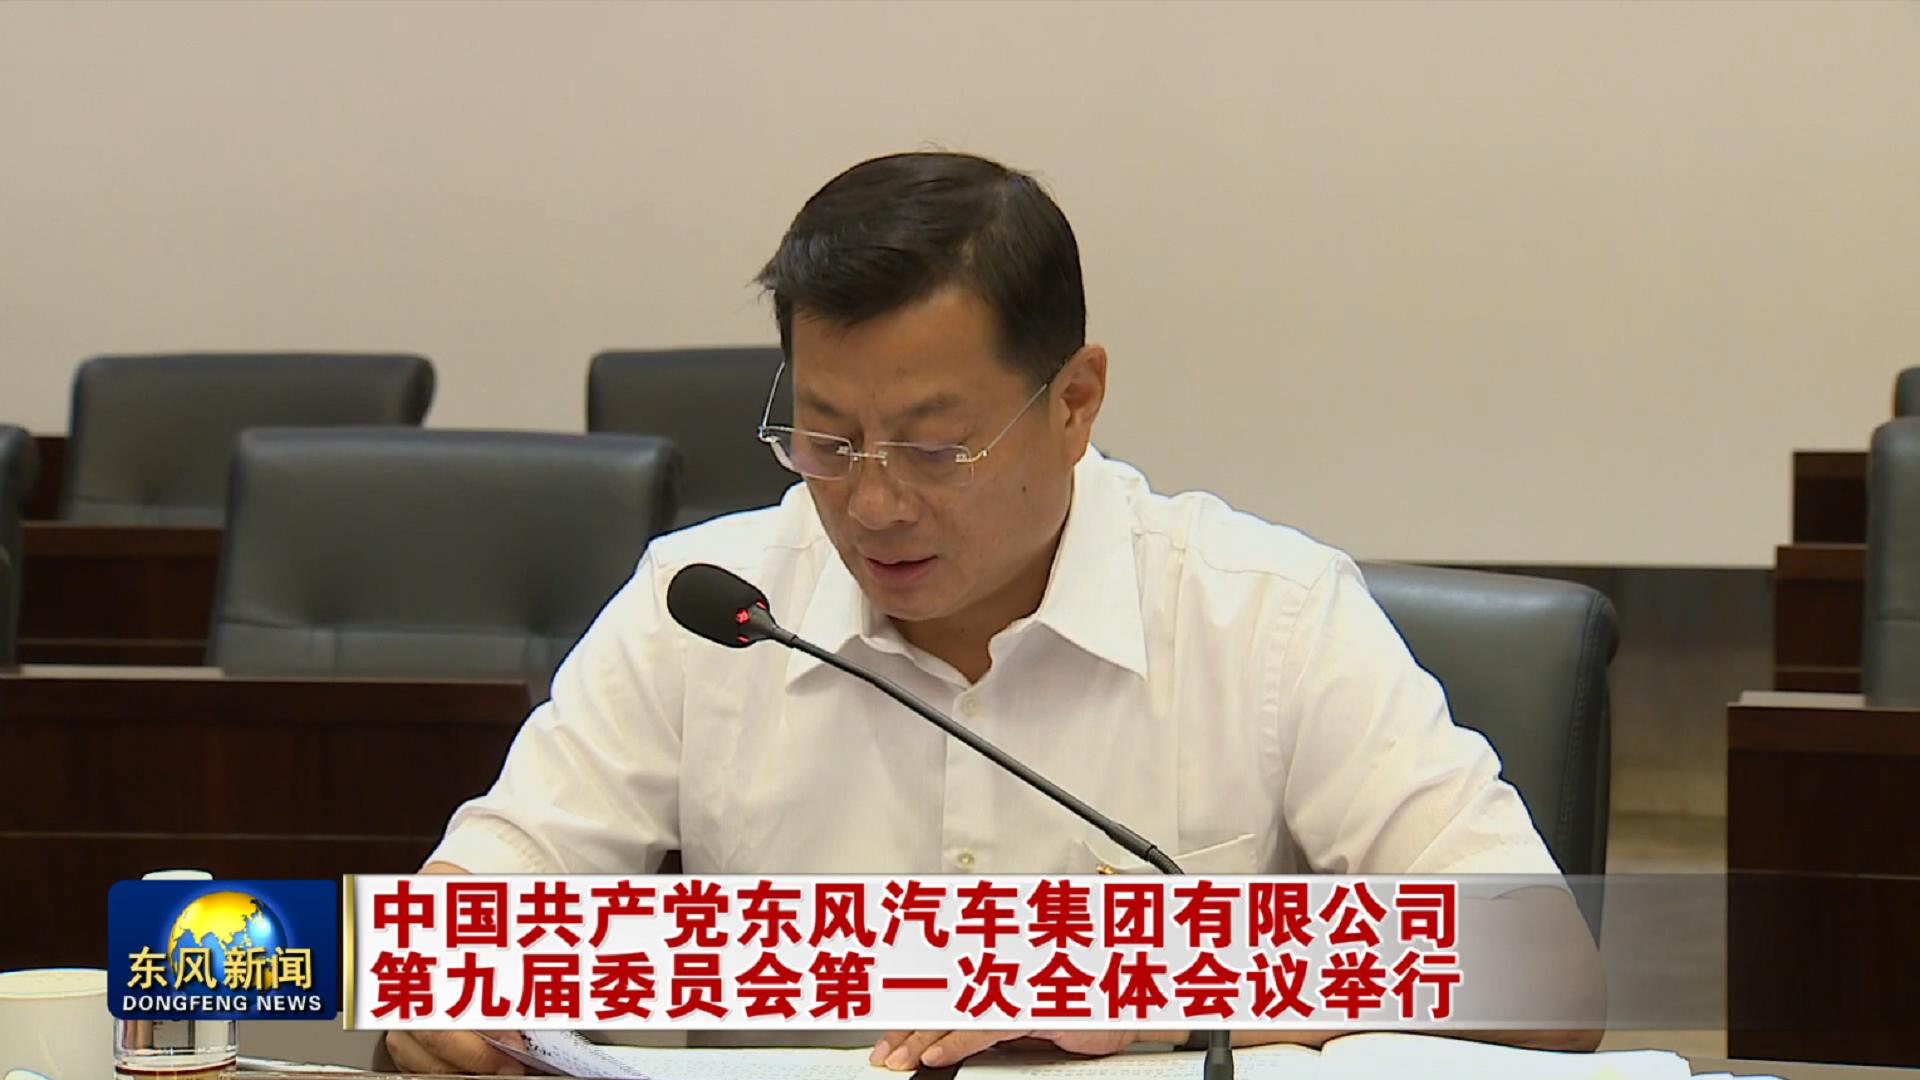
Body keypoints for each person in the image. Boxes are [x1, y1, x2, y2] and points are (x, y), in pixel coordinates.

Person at [384, 151, 1602, 1075]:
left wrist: (1149, 978)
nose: (872, 505)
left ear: (1074, 402)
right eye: (827, 440)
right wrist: (441, 995)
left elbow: (1543, 970)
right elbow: (462, 917)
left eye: (934, 448)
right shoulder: (709, 606)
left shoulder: (1265, 617)